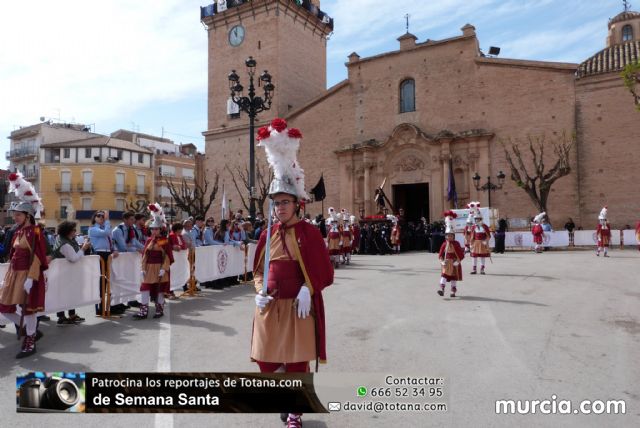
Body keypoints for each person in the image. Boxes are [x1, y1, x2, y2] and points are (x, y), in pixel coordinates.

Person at [252, 118, 333, 428]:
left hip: (299, 306)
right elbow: (258, 270)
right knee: (266, 359)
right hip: (270, 306)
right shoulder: (266, 233)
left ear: (297, 204)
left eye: (284, 202)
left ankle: (295, 413)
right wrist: (258, 291)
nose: (279, 208)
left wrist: (307, 289)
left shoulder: (310, 233)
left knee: (297, 361)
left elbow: (324, 271)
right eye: (275, 203)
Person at [0, 172, 48, 358]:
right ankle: (30, 330)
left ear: (28, 215)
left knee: (29, 309)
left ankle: (30, 340)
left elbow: (38, 257)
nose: (15, 217)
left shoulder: (34, 232)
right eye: (15, 214)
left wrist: (31, 278)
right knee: (4, 306)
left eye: (18, 214)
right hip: (14, 274)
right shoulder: (18, 231)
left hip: (28, 275)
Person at [133, 204, 174, 320]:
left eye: (156, 229)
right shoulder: (149, 240)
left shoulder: (163, 241)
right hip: (149, 269)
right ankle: (143, 311)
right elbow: (145, 255)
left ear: (160, 229)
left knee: (159, 290)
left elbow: (167, 257)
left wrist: (164, 269)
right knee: (144, 289)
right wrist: (142, 269)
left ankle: (159, 310)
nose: (154, 231)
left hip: (160, 269)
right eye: (152, 229)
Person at [52, 220, 91, 325]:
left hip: (67, 273)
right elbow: (73, 258)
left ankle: (71, 315)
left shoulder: (66, 239)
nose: (75, 231)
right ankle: (61, 317)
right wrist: (83, 249)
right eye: (74, 230)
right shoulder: (65, 244)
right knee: (63, 294)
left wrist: (81, 248)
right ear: (68, 231)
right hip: (63, 273)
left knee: (70, 293)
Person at [88, 210, 120, 315]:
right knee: (100, 281)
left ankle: (105, 307)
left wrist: (114, 249)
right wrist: (107, 220)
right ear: (94, 218)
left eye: (103, 216)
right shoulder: (93, 229)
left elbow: (111, 240)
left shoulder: (105, 228)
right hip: (99, 253)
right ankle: (99, 308)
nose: (101, 217)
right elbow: (106, 233)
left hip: (107, 254)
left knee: (106, 281)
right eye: (99, 216)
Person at [437, 211, 464, 297]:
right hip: (446, 262)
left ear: (453, 236)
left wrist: (458, 261)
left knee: (453, 277)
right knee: (444, 275)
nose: (449, 237)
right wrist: (441, 261)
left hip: (454, 262)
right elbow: (440, 254)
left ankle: (453, 290)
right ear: (446, 236)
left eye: (451, 236)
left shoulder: (456, 244)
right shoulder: (444, 244)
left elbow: (461, 254)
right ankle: (442, 288)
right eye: (448, 236)